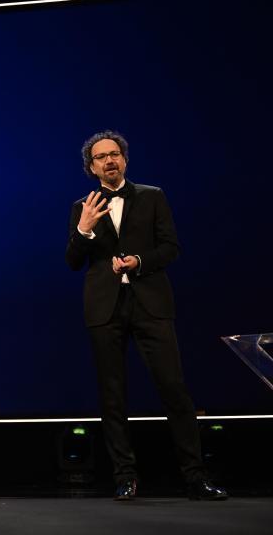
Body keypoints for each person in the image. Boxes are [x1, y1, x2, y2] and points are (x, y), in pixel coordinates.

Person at [65, 130, 227, 501]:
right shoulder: (83, 206)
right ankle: (125, 477)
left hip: (151, 305)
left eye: (115, 154)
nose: (110, 160)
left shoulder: (153, 197)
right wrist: (83, 231)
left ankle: (194, 478)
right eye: (102, 157)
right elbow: (73, 262)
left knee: (174, 390)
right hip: (105, 309)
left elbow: (171, 247)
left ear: (124, 159)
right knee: (113, 396)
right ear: (91, 167)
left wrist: (139, 262)